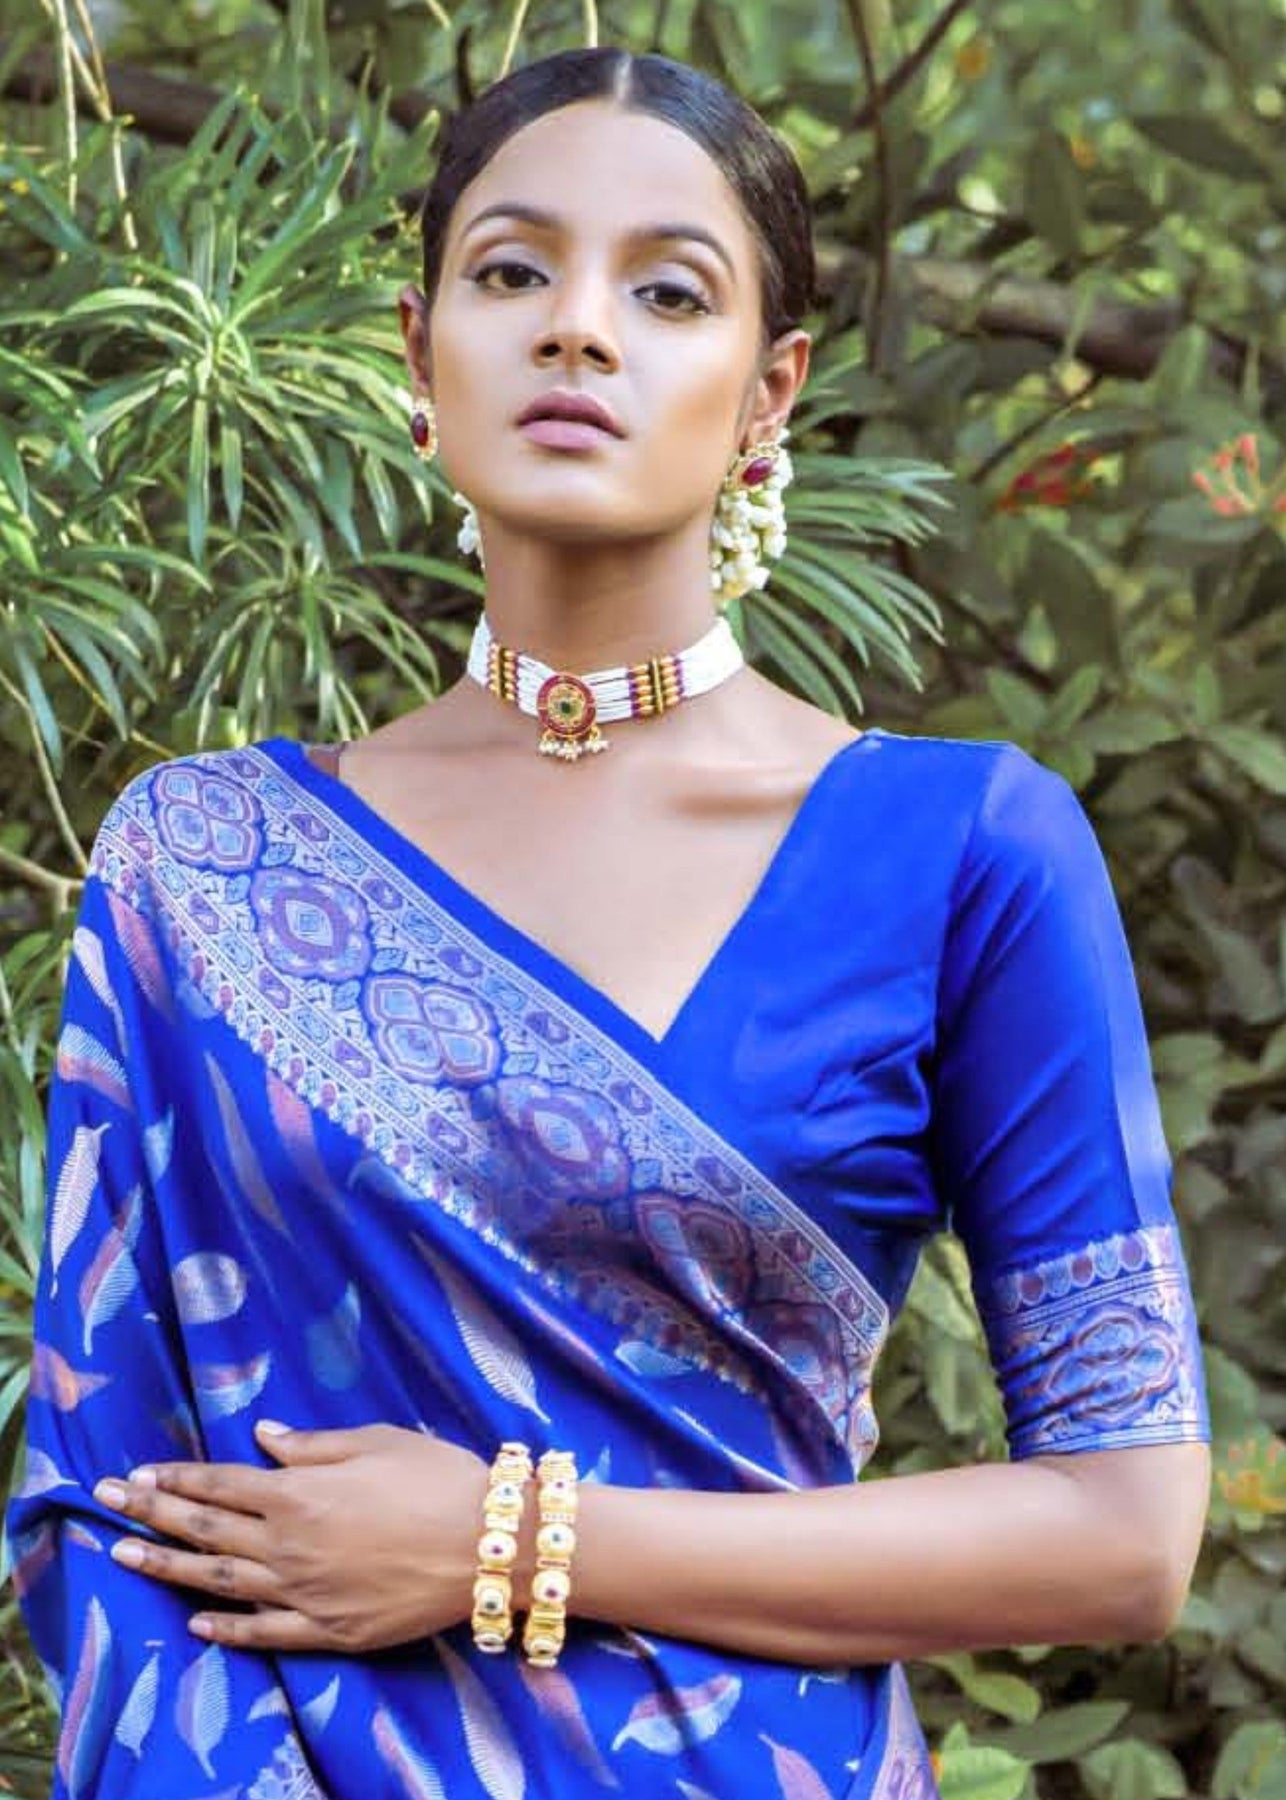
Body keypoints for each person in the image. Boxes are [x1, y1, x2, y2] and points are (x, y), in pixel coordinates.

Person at [3, 45, 1211, 1800]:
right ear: (418, 353)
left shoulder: (965, 851)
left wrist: (506, 1540)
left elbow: (1122, 1529)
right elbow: (109, 1492)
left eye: (667, 290)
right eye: (511, 272)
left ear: (769, 389)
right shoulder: (202, 865)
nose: (577, 329)